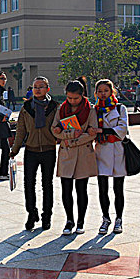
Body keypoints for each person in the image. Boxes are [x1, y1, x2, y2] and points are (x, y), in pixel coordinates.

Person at [9, 76, 59, 231]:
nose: (38, 89)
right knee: (29, 184)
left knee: (47, 184)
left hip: (49, 150)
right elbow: (21, 131)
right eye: (35, 87)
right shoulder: (26, 108)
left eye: (41, 86)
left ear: (47, 89)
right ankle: (31, 213)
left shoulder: (55, 107)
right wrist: (15, 150)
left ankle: (47, 216)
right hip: (31, 151)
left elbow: (61, 127)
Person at [51, 80, 98, 235]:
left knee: (81, 189)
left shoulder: (90, 110)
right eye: (69, 98)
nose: (72, 101)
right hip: (66, 153)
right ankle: (69, 220)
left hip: (83, 153)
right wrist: (70, 135)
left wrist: (72, 138)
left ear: (82, 95)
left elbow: (92, 133)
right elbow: (54, 130)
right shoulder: (61, 109)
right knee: (66, 189)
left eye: (75, 98)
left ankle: (81, 222)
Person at [91, 79, 128, 234]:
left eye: (106, 90)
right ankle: (105, 218)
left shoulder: (120, 108)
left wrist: (102, 132)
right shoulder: (94, 110)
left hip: (118, 151)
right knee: (102, 188)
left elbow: (122, 129)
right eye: (100, 91)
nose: (103, 93)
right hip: (101, 151)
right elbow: (90, 128)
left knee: (118, 188)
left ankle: (119, 219)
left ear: (112, 91)